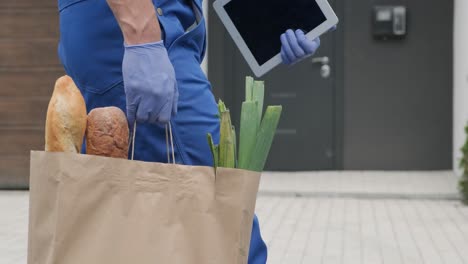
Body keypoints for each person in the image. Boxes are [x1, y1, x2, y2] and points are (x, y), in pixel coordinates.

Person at [57, 0, 322, 262]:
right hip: (139, 28)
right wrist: (141, 36)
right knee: (220, 212)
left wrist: (283, 14)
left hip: (138, 32)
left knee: (130, 216)